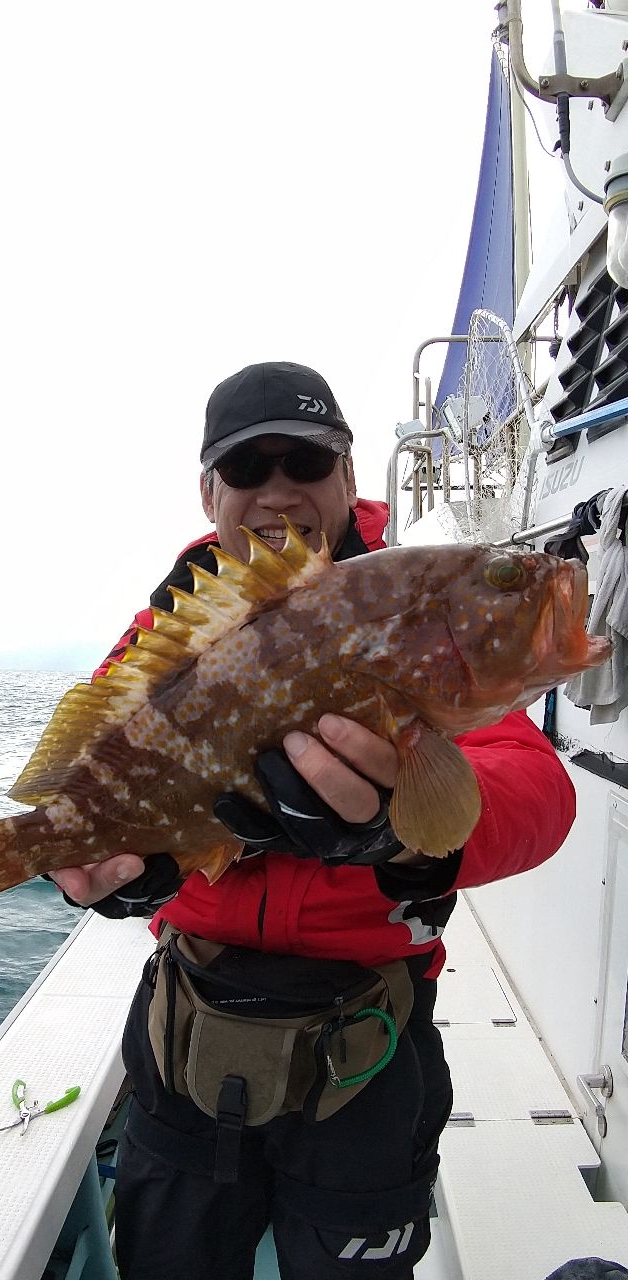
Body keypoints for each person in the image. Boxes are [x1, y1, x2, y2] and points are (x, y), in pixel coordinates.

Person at [51, 361, 577, 1280]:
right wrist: (122, 875)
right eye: (248, 470)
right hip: (189, 1039)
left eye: (307, 460)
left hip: (367, 1054)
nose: (278, 491)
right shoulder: (175, 628)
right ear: (210, 491)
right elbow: (98, 777)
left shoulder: (410, 597)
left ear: (348, 475)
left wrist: (401, 841)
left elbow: (536, 791)